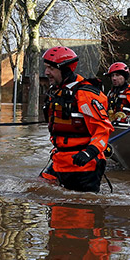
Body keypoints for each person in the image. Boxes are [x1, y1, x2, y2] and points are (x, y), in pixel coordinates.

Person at [42, 46, 114, 193]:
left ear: (65, 69)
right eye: (46, 68)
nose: (46, 72)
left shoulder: (85, 95)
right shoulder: (57, 91)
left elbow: (103, 129)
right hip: (60, 160)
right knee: (39, 189)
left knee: (78, 211)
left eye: (51, 68)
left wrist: (90, 152)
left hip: (83, 164)